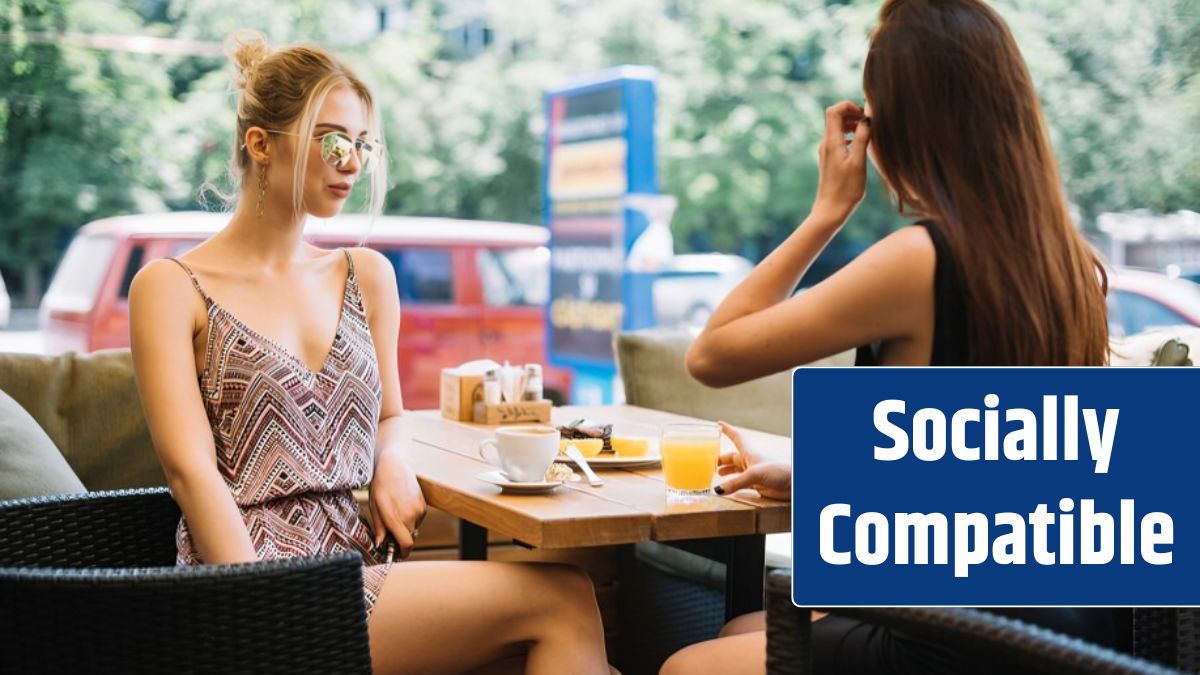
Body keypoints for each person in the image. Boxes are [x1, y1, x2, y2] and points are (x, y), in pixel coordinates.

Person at [129, 31, 611, 675]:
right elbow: (191, 474)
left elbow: (390, 417)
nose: (350, 160)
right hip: (245, 574)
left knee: (537, 631)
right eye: (332, 140)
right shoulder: (169, 287)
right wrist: (257, 605)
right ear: (260, 144)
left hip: (352, 559)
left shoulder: (366, 276)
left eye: (360, 143)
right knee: (565, 598)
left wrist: (394, 462)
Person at [666, 0, 1122, 672]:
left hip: (949, 634)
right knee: (741, 624)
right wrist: (818, 476)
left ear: (905, 127)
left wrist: (828, 211)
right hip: (1051, 629)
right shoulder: (1071, 265)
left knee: (683, 667)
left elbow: (713, 353)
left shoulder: (922, 258)